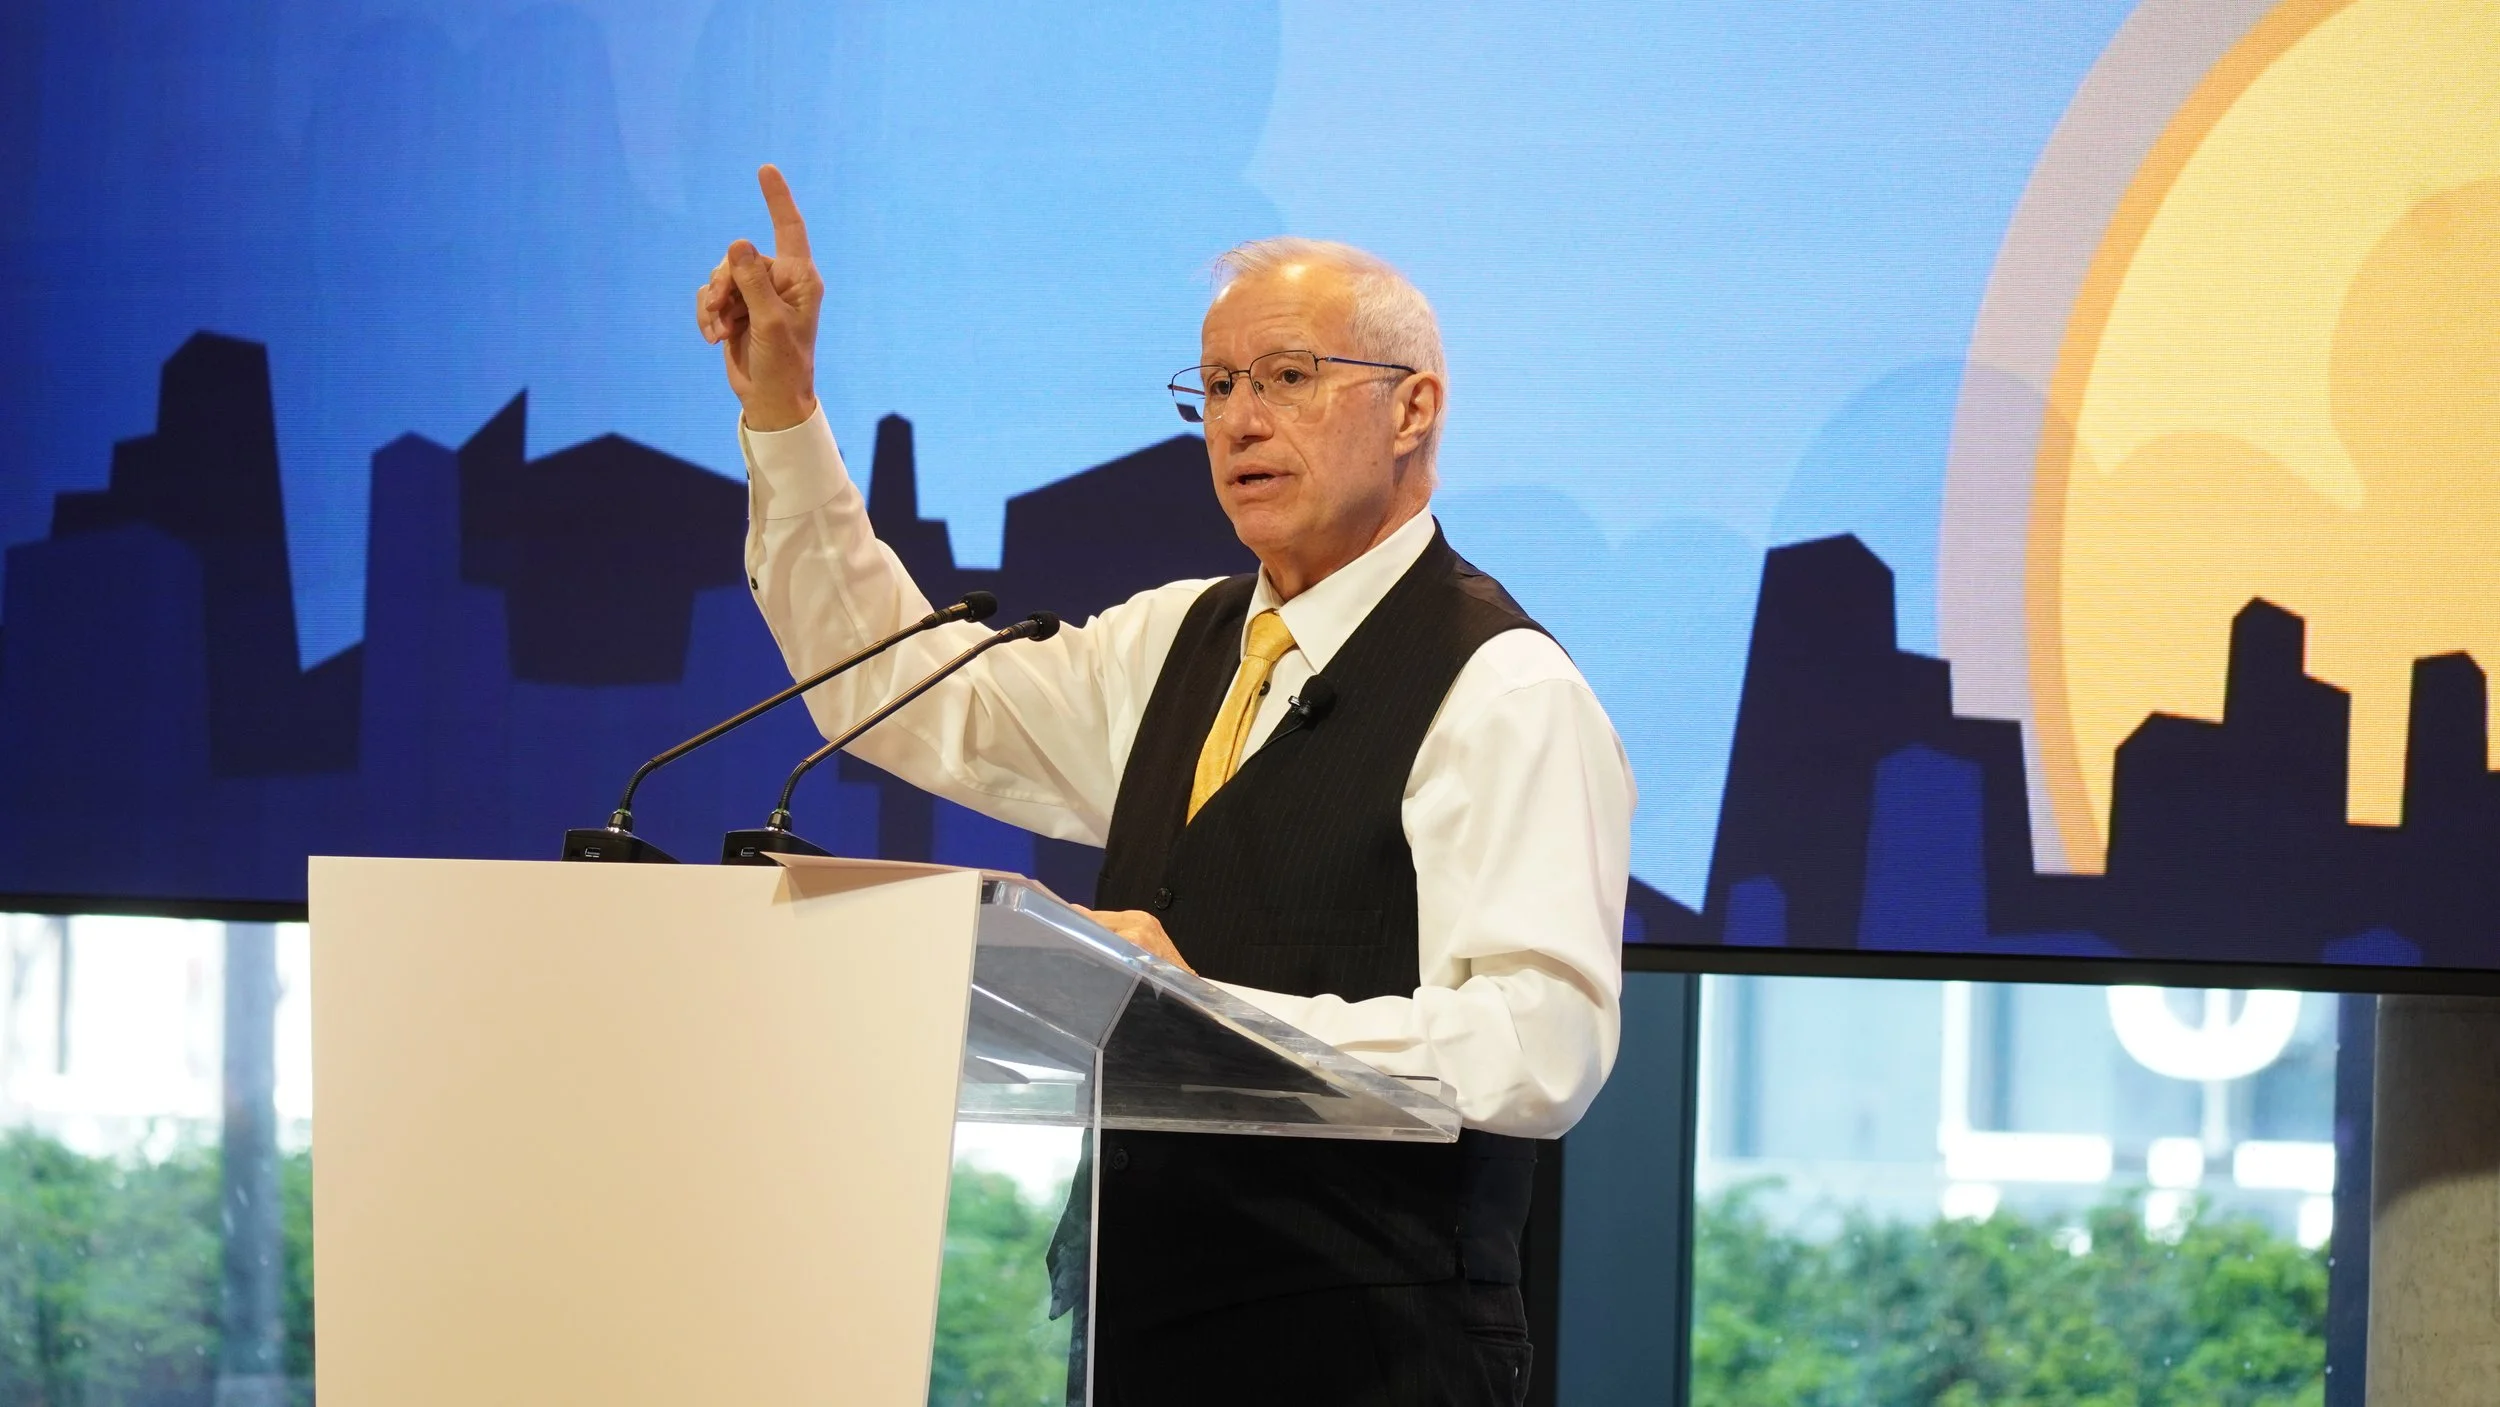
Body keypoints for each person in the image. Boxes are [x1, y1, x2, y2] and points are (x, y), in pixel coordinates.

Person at [699, 165, 1632, 1407]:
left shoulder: (1501, 687)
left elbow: (1540, 1043)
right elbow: (906, 694)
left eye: (1289, 378)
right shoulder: (1175, 642)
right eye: (1221, 387)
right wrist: (784, 412)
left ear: (1414, 410)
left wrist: (1214, 1013)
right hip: (1142, 1328)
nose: (1241, 421)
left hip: (1371, 1351)